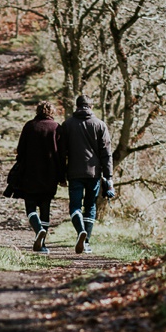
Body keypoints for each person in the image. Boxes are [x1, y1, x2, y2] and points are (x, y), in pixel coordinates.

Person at [57, 94, 115, 254]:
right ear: (91, 106)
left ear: (76, 106)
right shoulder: (100, 125)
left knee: (75, 206)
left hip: (74, 173)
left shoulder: (67, 125)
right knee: (90, 206)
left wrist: (61, 175)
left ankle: (80, 231)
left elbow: (61, 153)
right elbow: (106, 153)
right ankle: (86, 241)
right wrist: (108, 177)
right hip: (94, 173)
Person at [11, 101, 62, 253]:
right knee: (45, 209)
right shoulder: (56, 128)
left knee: (30, 207)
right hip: (50, 175)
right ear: (52, 112)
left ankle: (38, 229)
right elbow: (61, 154)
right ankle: (43, 243)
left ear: (37, 111)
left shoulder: (29, 126)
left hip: (29, 173)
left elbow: (20, 150)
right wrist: (61, 176)